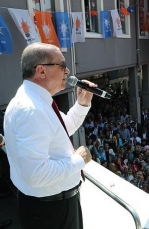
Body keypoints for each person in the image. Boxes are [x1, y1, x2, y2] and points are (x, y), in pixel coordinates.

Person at [4, 43, 93, 229]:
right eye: (62, 65)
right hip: (52, 211)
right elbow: (35, 174)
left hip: (48, 206)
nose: (67, 71)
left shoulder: (34, 100)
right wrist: (78, 160)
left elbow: (63, 128)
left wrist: (82, 104)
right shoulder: (32, 110)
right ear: (41, 71)